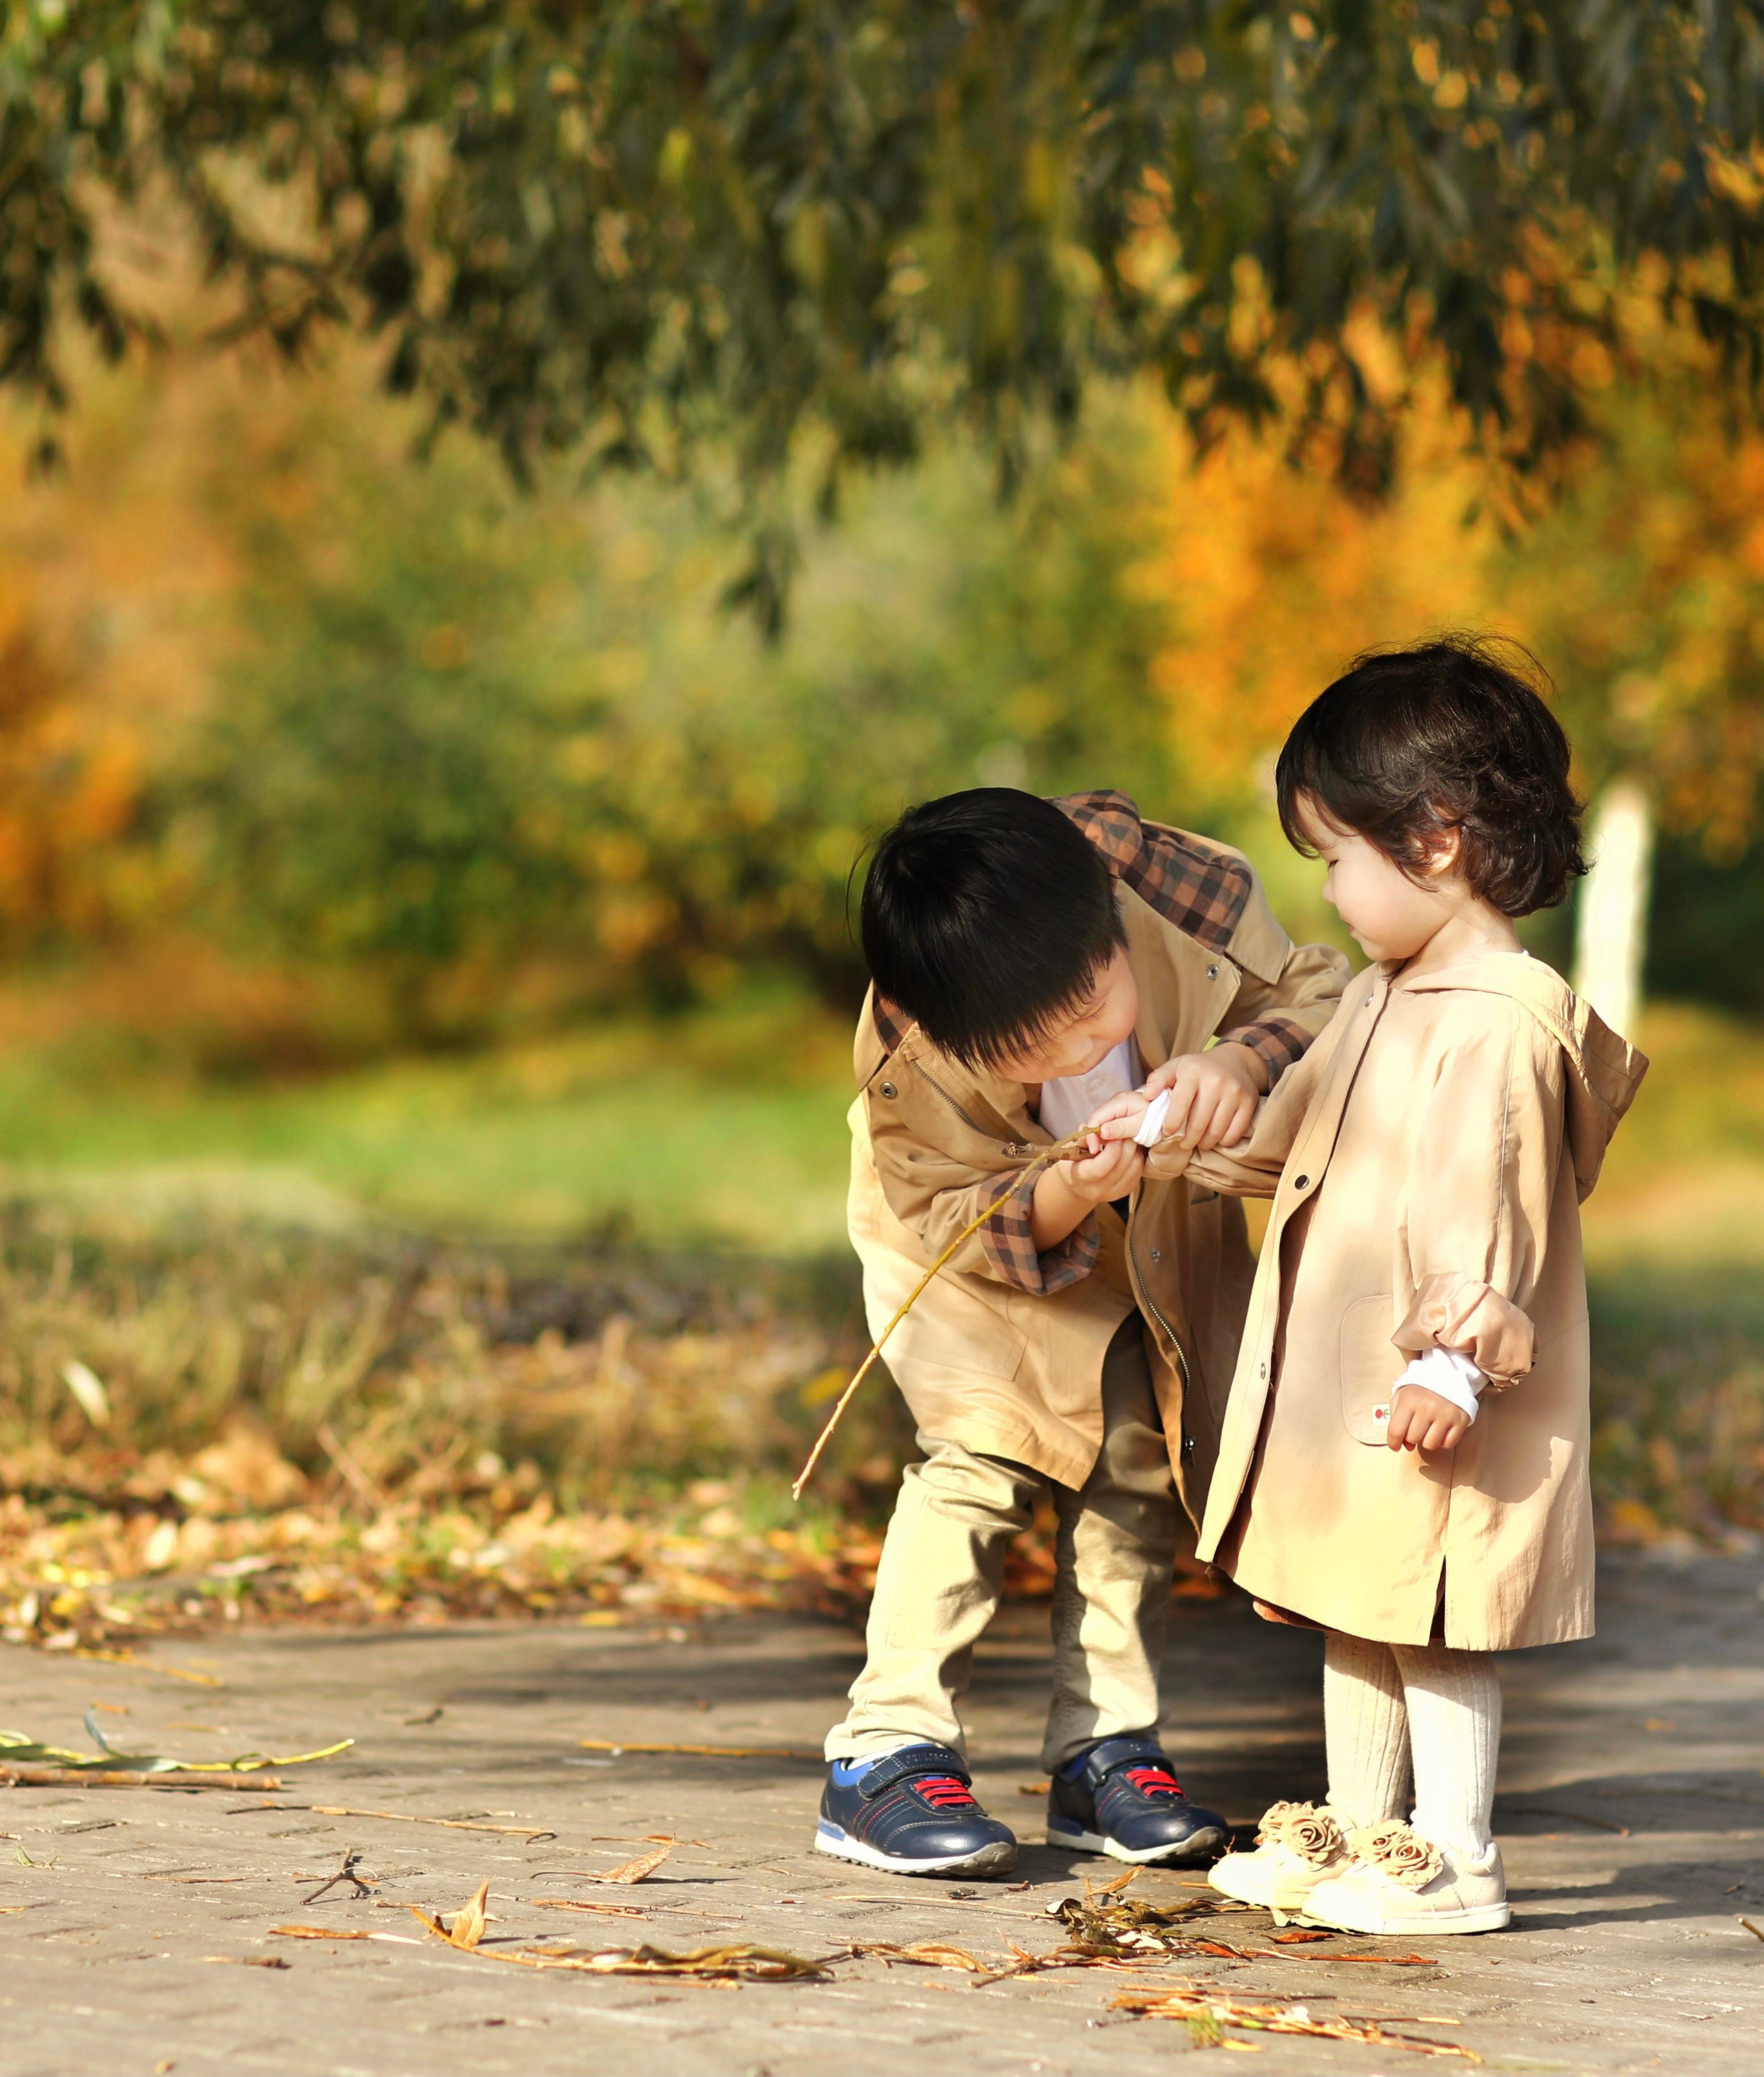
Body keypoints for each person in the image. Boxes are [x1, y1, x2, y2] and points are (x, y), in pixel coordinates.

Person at [1094, 637, 1647, 1932]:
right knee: (1359, 1611)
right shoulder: (1386, 997)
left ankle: (1454, 1850)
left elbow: (1491, 1215)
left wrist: (1453, 1362)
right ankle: (1361, 1832)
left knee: (1437, 1620)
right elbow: (1291, 1133)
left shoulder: (1497, 1019)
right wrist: (1167, 1131)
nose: (1330, 889)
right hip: (1359, 1394)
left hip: (1437, 1389)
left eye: (1338, 855)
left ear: (1438, 838)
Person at [817, 786, 1350, 1878]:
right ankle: (884, 1752)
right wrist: (1062, 1195)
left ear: (1110, 920)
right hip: (975, 1254)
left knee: (1135, 1466)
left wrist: (1236, 1061)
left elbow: (1326, 995)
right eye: (1038, 1047)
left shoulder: (1180, 890)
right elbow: (946, 1217)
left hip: (1149, 1228)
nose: (1083, 1043)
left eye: (1093, 1001)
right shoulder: (908, 1056)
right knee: (978, 1453)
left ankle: (1102, 1749)